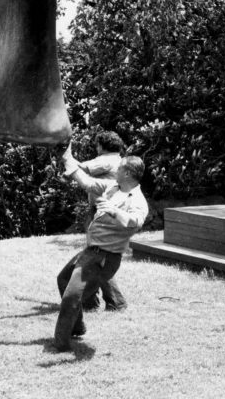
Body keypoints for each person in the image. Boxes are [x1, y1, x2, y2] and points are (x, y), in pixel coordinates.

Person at [53, 146, 148, 352]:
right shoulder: (113, 186)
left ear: (128, 173)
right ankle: (77, 328)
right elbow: (85, 181)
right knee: (63, 279)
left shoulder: (138, 200)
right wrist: (66, 156)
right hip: (90, 252)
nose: (116, 169)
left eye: (119, 167)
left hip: (105, 258)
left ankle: (60, 344)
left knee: (72, 297)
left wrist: (114, 211)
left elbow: (135, 222)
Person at [78, 131, 128, 312]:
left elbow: (79, 168)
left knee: (97, 259)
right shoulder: (119, 159)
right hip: (111, 212)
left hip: (101, 213)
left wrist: (64, 154)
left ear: (102, 145)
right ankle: (92, 302)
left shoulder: (106, 159)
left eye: (97, 144)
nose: (95, 147)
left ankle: (114, 301)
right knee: (98, 258)